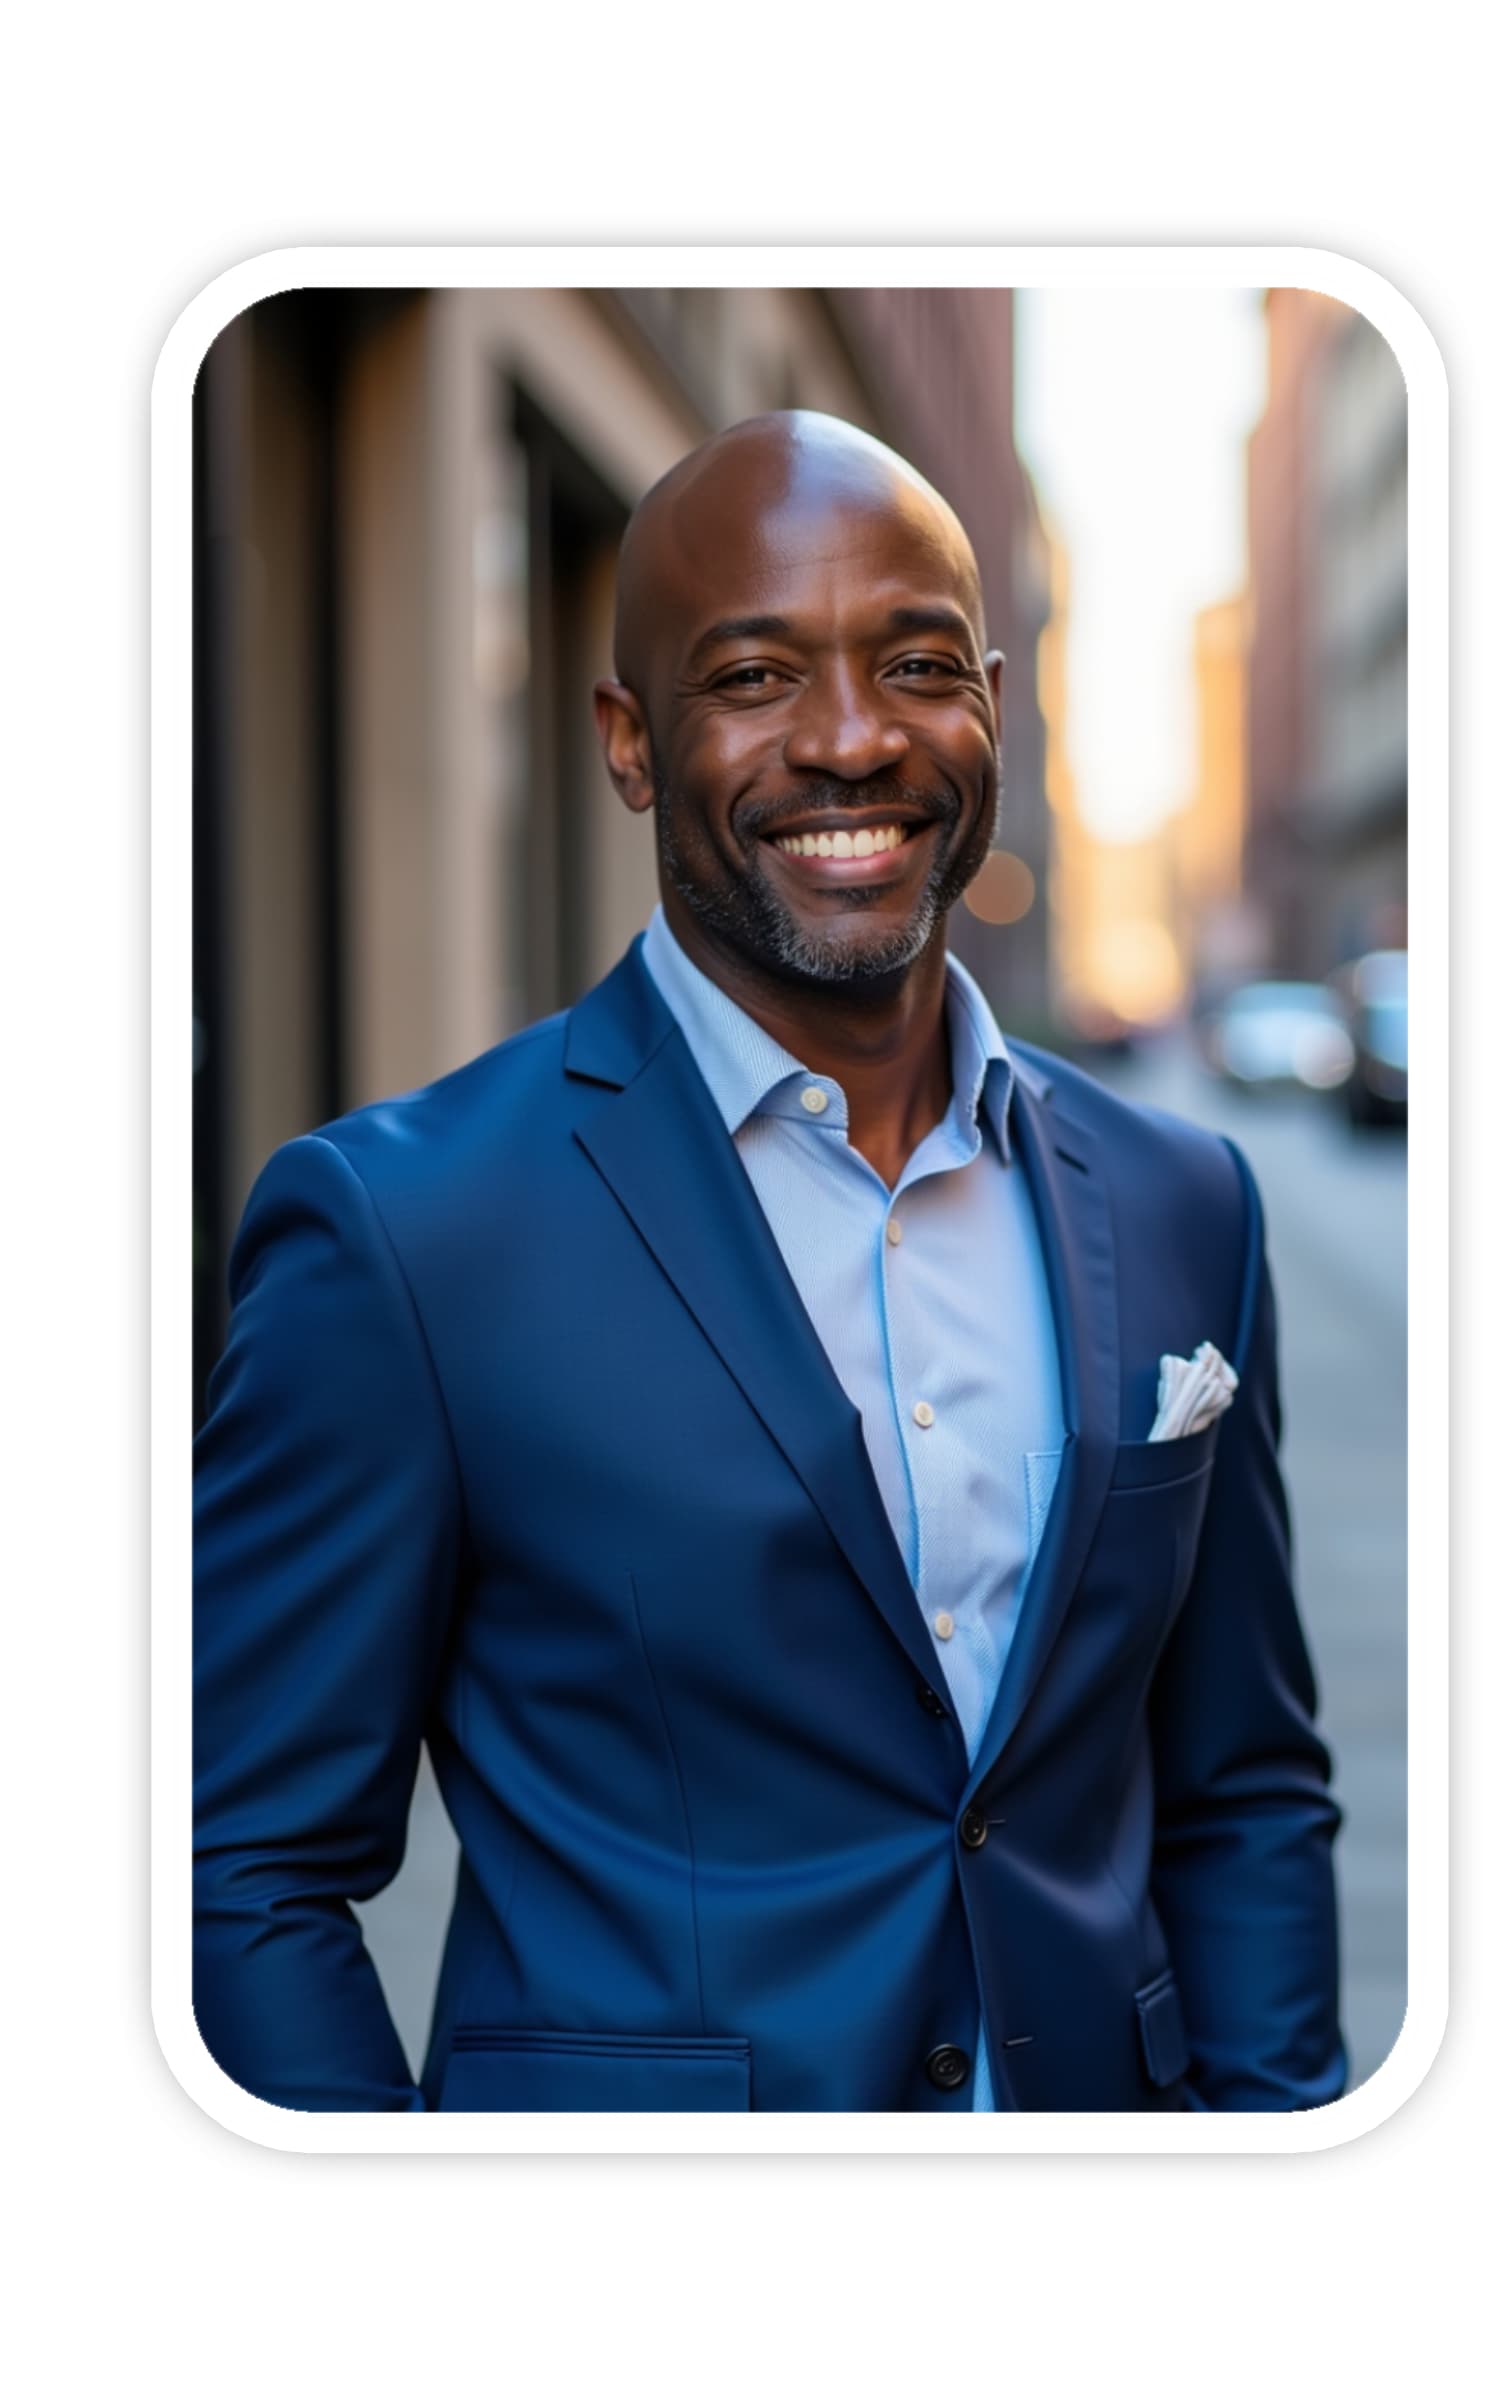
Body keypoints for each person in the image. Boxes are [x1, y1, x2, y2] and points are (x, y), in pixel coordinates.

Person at [192, 410, 1345, 2114]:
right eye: (752, 679)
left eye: (917, 663)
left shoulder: (1186, 1202)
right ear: (629, 741)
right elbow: (238, 1869)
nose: (854, 739)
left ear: (995, 712)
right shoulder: (405, 1236)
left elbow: (1244, 1788)